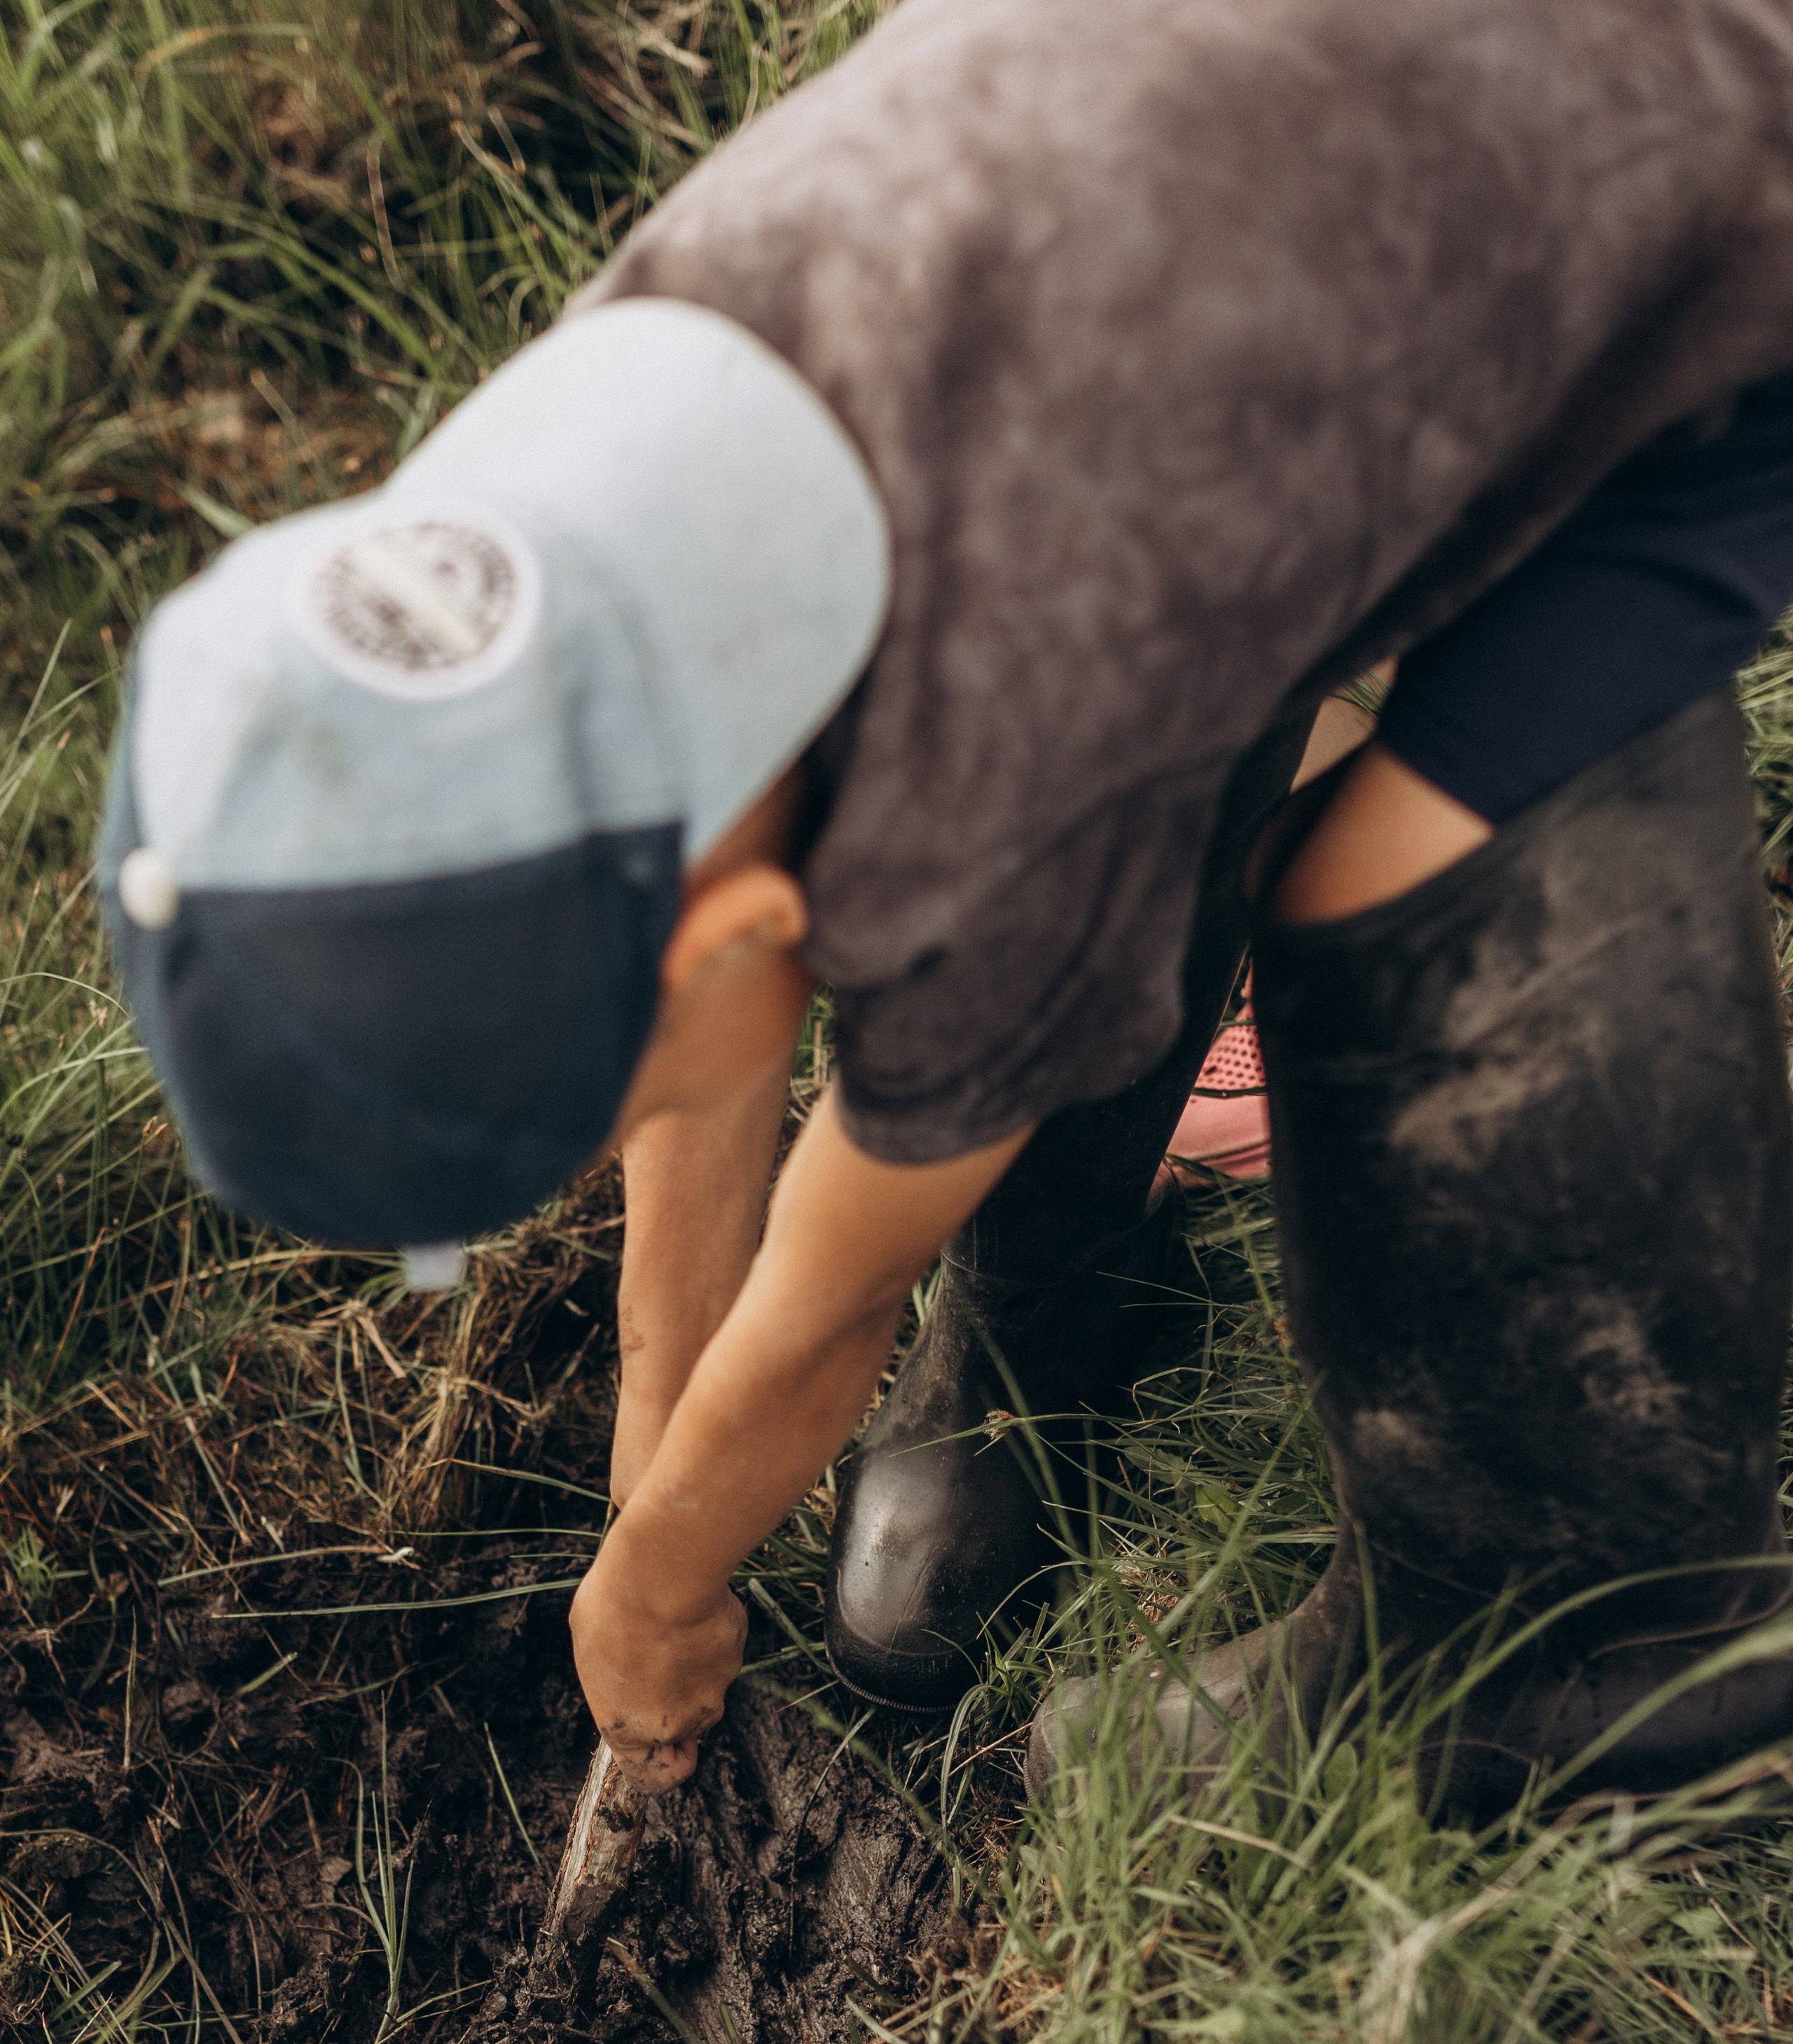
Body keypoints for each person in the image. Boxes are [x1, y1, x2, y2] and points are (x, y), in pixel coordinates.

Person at [100, 0, 1793, 1819]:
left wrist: (663, 1592)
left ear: (735, 938)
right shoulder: (566, 516)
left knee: (1378, 884)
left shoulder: (1006, 749)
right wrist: (652, 1472)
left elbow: (831, 1295)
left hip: (1701, 230)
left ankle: (1584, 1633)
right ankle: (1045, 1304)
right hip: (1262, 251)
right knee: (1122, 741)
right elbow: (713, 1028)